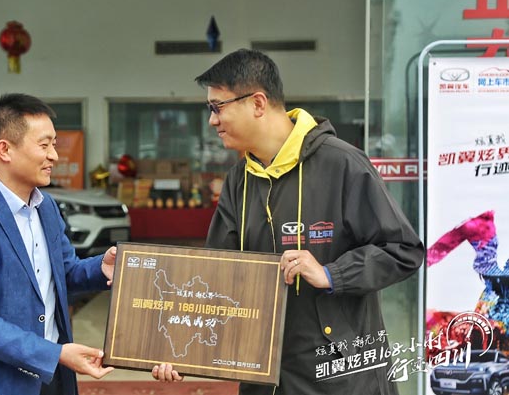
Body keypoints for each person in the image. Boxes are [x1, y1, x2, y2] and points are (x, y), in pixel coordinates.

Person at [154, 49, 425, 394]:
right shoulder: (238, 181)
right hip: (265, 379)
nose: (212, 121)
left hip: (342, 379)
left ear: (257, 103)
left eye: (217, 107)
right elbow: (214, 277)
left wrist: (332, 274)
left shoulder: (342, 164)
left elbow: (403, 250)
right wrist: (178, 342)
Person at [0, 93, 116, 395]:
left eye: (54, 144)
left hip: (51, 378)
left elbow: (62, 275)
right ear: (4, 150)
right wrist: (54, 354)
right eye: (44, 145)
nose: (54, 156)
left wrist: (101, 268)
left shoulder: (47, 207)